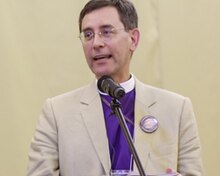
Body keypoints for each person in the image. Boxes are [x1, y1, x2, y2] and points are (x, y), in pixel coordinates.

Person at [27, 0, 203, 175]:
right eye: (88, 35)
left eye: (106, 32)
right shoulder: (57, 112)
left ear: (133, 39)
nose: (96, 43)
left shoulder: (176, 109)